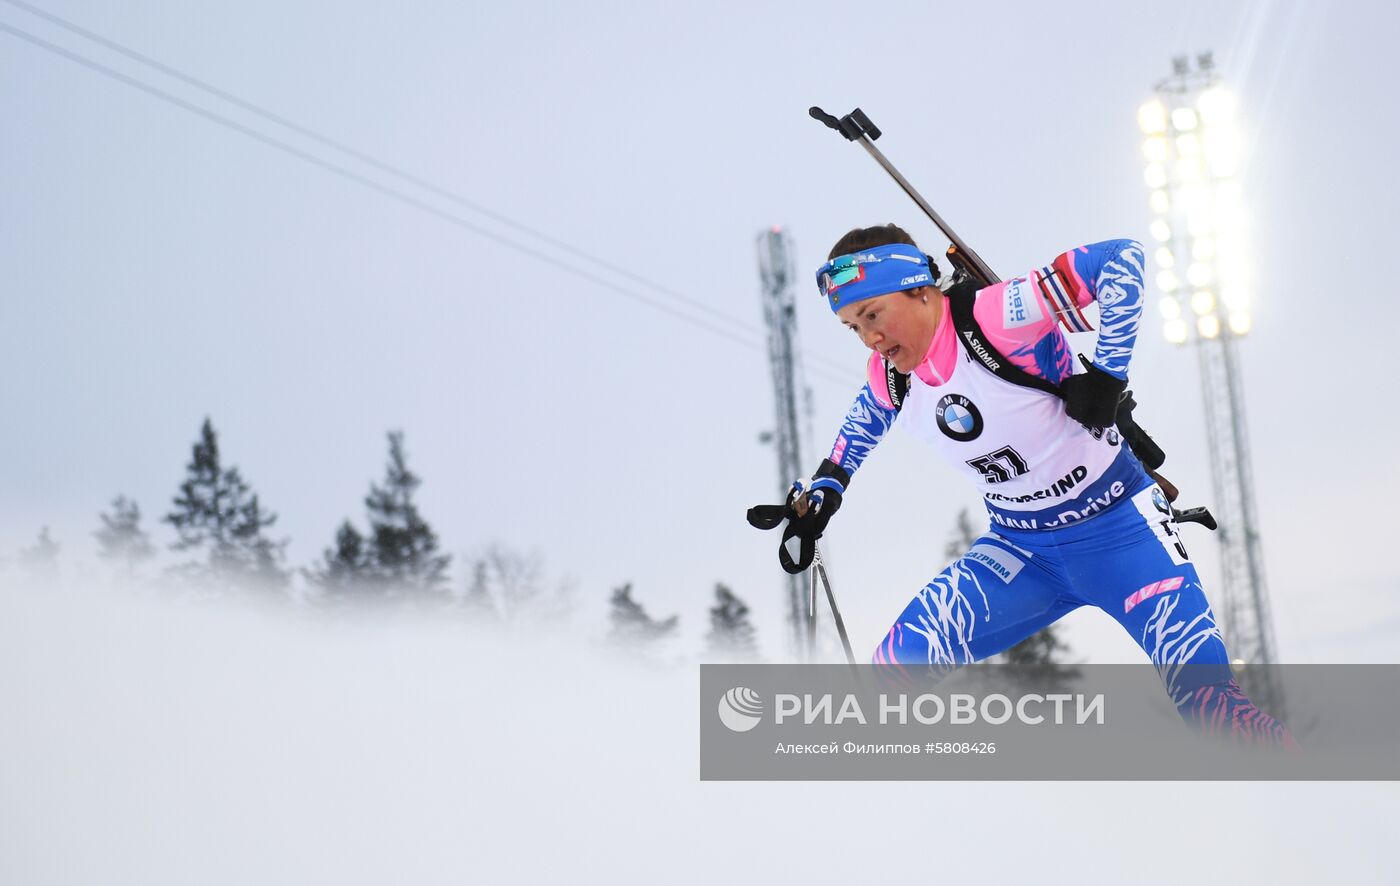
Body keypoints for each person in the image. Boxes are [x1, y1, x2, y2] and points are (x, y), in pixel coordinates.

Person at [765, 223, 1294, 749]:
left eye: (873, 314)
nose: (871, 338)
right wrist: (820, 498)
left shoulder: (996, 316)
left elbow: (1120, 259)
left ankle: (1331, 808)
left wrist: (1108, 377)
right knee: (892, 675)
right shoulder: (891, 377)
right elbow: (853, 438)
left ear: (921, 290)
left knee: (1210, 709)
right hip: (1021, 553)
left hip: (1122, 534)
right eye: (853, 326)